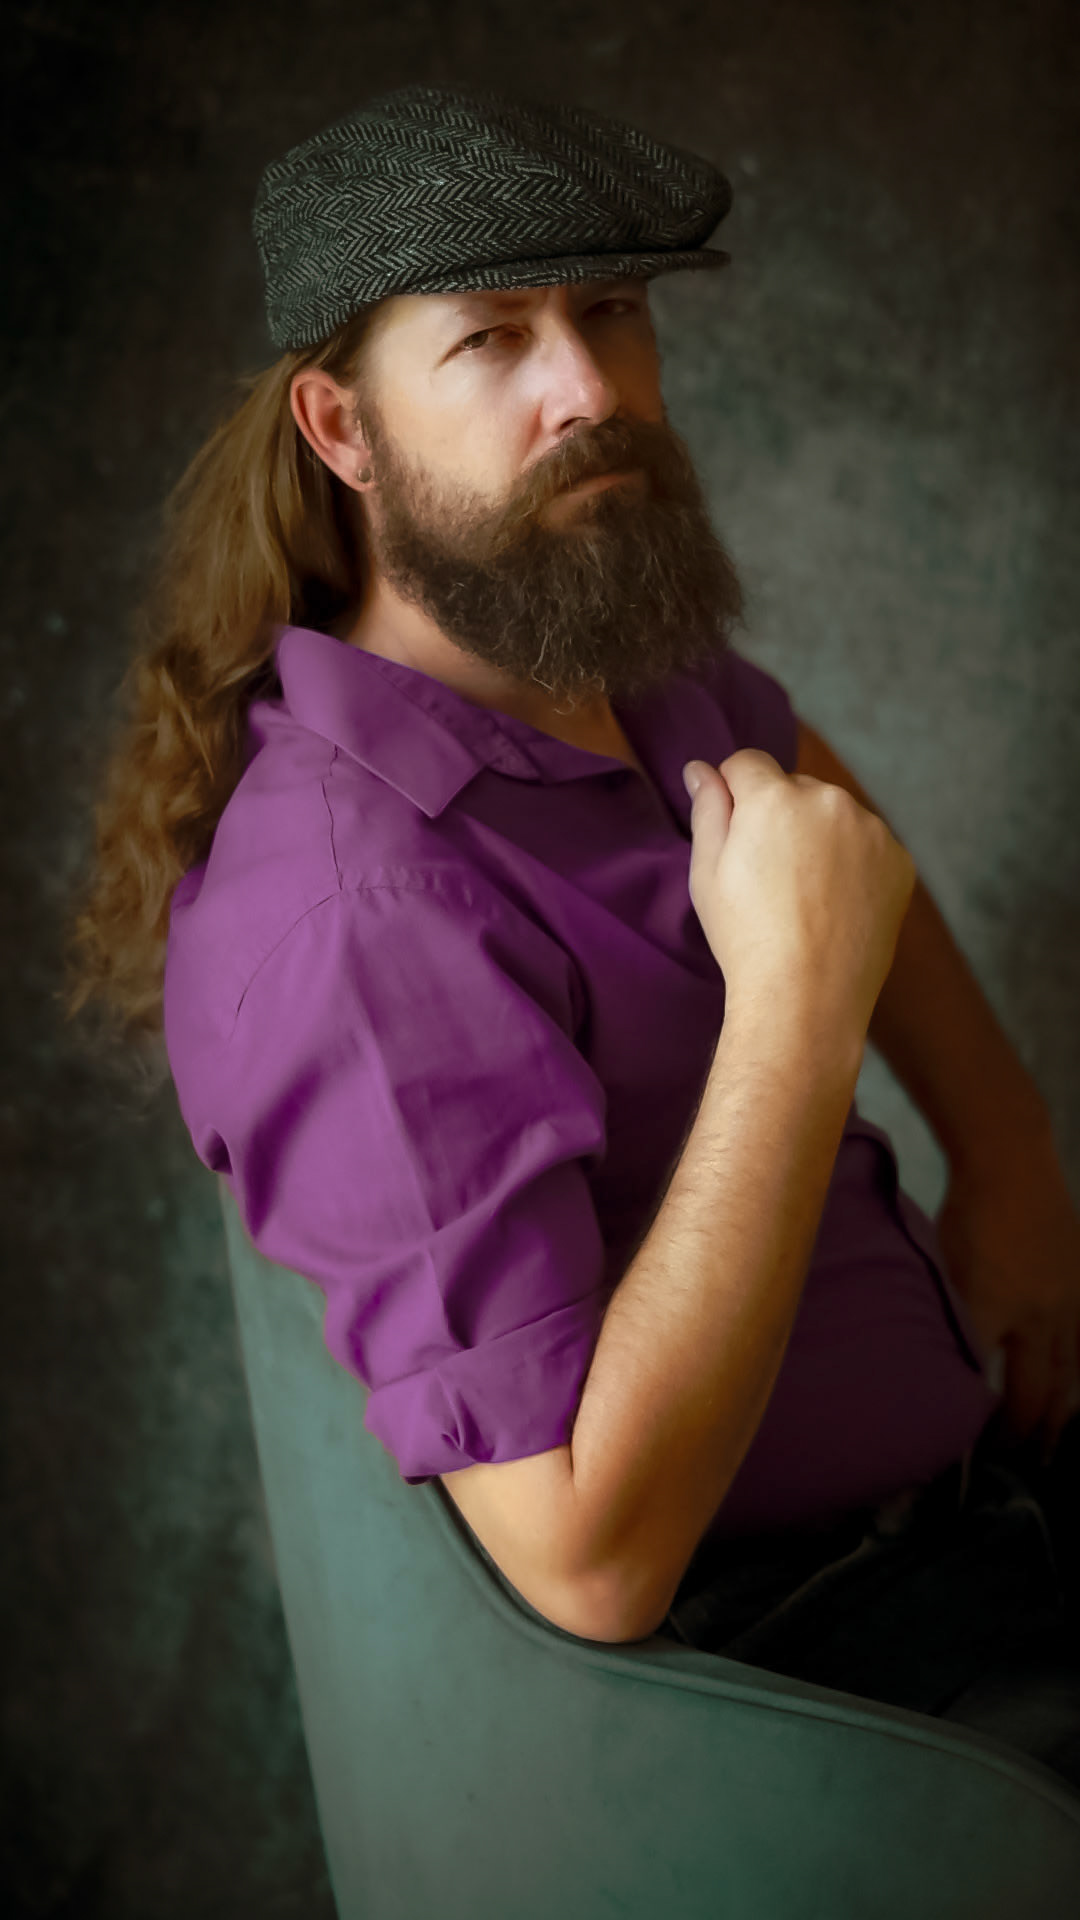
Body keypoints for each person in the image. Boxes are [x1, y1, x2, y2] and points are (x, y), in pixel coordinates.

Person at [63, 82, 1080, 1793]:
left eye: (610, 311)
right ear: (340, 427)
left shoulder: (627, 667)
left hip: (984, 1520)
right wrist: (794, 1013)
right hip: (805, 1681)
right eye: (491, 340)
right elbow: (589, 1564)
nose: (591, 390)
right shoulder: (355, 912)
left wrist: (1012, 1149)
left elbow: (820, 813)